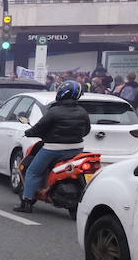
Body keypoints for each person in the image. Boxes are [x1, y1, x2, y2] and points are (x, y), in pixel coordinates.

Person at [14, 80, 89, 213]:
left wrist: (29, 132)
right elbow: (86, 131)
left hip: (54, 149)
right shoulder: (83, 112)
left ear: (61, 93)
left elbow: (39, 128)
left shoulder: (54, 111)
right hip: (77, 149)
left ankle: (26, 203)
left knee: (33, 172)